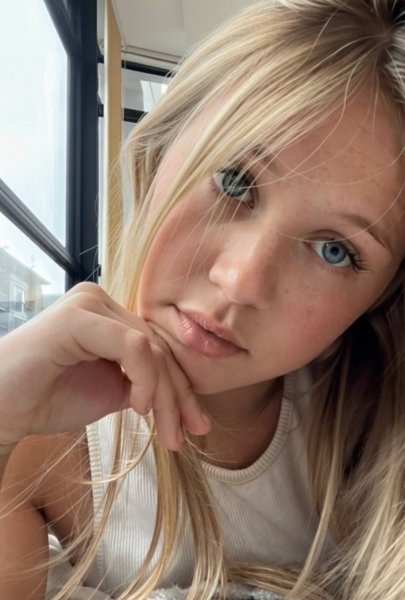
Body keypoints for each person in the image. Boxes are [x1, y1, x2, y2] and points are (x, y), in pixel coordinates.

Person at [0, 0, 405, 598]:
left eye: (334, 250)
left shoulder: (374, 436)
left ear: (382, 297)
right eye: (235, 181)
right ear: (156, 158)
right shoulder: (35, 437)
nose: (240, 282)